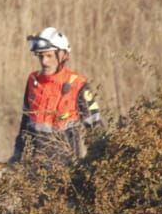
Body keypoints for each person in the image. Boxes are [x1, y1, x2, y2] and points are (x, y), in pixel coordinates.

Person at [11, 27, 101, 164]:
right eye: (40, 56)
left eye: (49, 56)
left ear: (63, 55)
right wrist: (17, 154)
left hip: (67, 167)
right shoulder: (33, 81)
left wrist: (98, 160)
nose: (44, 62)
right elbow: (25, 123)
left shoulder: (77, 83)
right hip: (35, 167)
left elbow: (95, 126)